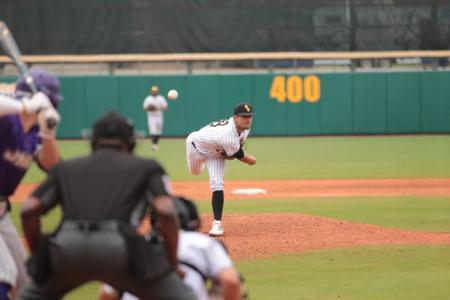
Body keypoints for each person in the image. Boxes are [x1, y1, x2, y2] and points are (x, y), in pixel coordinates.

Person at [18, 111, 196, 300]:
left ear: (93, 141)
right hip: (118, 248)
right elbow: (166, 212)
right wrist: (172, 265)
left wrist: (41, 258)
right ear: (131, 142)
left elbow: (28, 209)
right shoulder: (146, 166)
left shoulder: (65, 168)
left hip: (66, 247)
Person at [100, 196, 244, 300]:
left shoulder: (133, 246)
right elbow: (231, 282)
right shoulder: (202, 243)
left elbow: (106, 294)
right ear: (192, 222)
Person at [0, 68, 62, 300]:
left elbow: (53, 167)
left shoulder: (34, 132)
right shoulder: (7, 119)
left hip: (2, 214)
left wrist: (48, 134)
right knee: (4, 272)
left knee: (26, 281)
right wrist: (24, 107)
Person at [185, 103, 256, 236]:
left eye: (250, 116)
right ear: (235, 118)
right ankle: (203, 163)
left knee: (217, 184)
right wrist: (251, 160)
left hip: (216, 154)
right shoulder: (227, 134)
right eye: (244, 116)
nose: (248, 119)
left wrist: (230, 153)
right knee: (195, 172)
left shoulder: (245, 129)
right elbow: (240, 156)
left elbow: (232, 153)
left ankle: (217, 224)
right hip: (196, 147)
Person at [142, 85, 168, 151]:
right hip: (151, 117)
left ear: (157, 91)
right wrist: (149, 108)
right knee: (153, 131)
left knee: (159, 132)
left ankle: (156, 144)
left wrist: (156, 108)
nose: (154, 92)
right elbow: (144, 108)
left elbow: (165, 107)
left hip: (159, 116)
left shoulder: (161, 98)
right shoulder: (148, 99)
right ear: (151, 91)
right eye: (153, 91)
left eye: (155, 91)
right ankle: (154, 145)